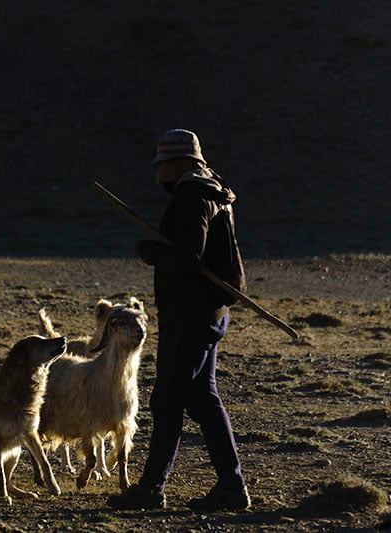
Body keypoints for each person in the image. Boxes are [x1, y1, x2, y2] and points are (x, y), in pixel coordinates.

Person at [107, 129, 251, 512]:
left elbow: (188, 258)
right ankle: (231, 487)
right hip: (208, 313)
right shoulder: (214, 192)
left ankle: (151, 489)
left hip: (191, 316)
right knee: (202, 397)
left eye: (163, 165)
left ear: (177, 164)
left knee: (168, 399)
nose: (160, 175)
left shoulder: (192, 197)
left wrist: (152, 252)